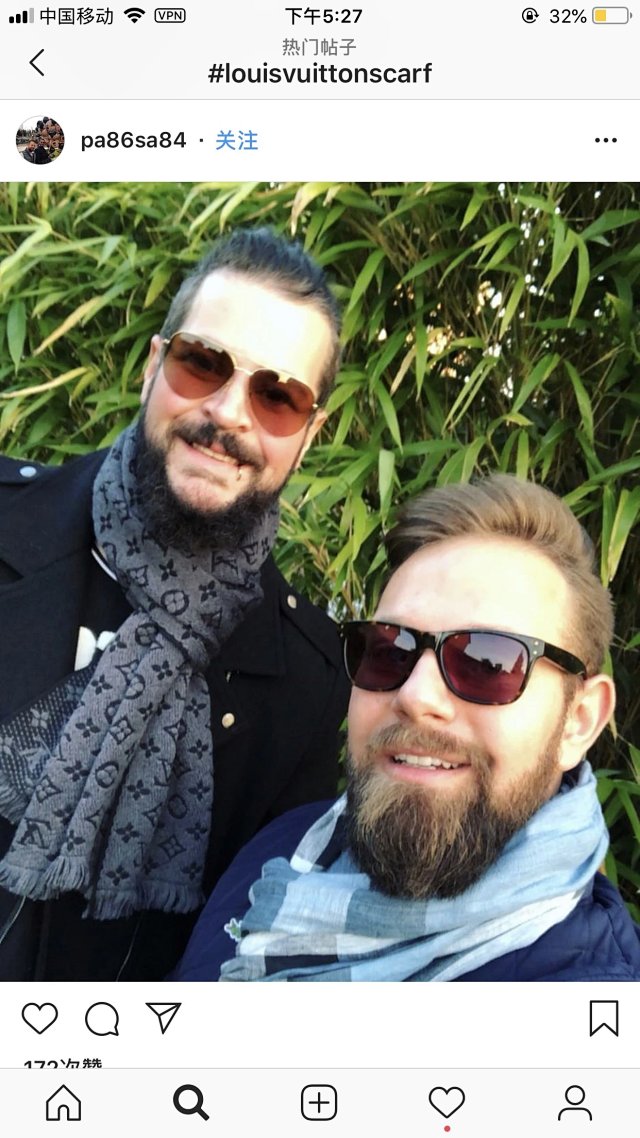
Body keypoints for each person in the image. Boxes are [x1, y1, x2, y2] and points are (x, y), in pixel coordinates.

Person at [0, 226, 350, 980]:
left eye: (277, 396)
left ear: (309, 435)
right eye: (203, 363)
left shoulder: (311, 683)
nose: (229, 412)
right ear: (153, 366)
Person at [174, 474, 640, 981]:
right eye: (389, 651)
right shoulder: (281, 845)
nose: (416, 697)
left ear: (579, 721)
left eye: (488, 662)